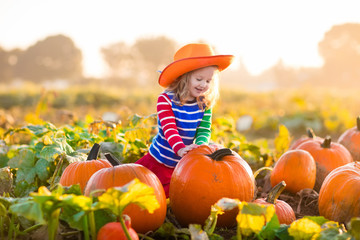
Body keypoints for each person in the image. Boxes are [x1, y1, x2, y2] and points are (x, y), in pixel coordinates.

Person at [136, 43, 234, 197]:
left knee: (174, 196)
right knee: (136, 185)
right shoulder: (166, 100)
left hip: (181, 166)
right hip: (159, 159)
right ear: (184, 76)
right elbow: (169, 129)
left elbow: (204, 129)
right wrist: (180, 148)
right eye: (199, 79)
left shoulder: (204, 104)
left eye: (208, 81)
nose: (203, 84)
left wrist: (201, 146)